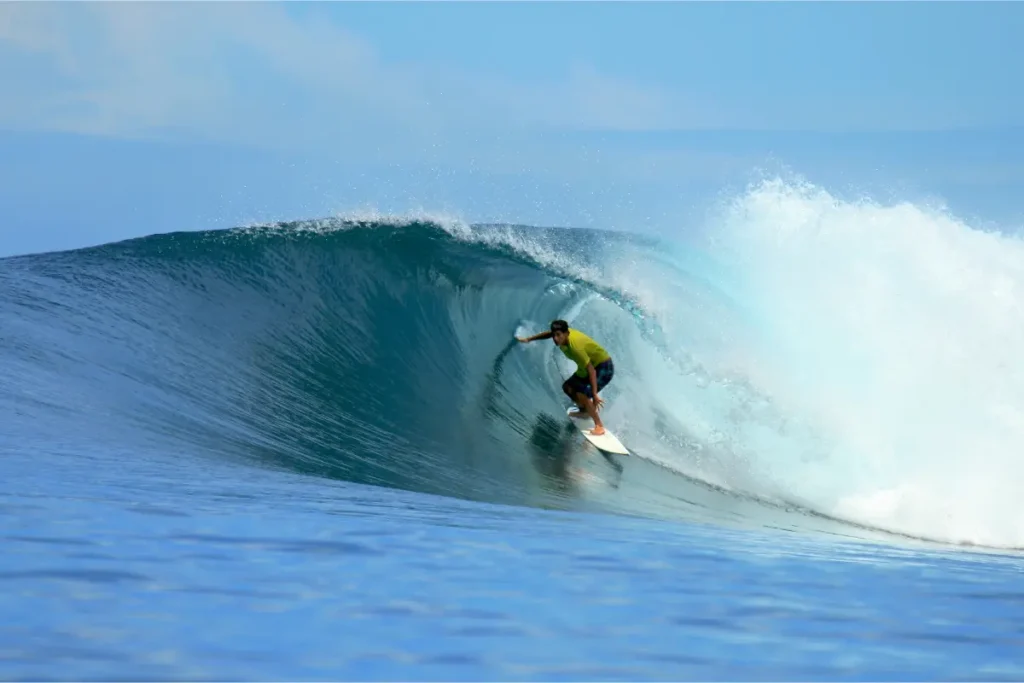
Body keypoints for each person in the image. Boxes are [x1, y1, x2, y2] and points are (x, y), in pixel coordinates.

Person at [516, 319, 614, 435]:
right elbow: (549, 334)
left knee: (582, 394)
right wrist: (529, 339)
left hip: (603, 367)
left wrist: (594, 395)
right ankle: (585, 411)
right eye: (554, 336)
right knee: (568, 387)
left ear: (566, 333)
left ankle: (599, 425)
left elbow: (591, 371)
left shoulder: (575, 347)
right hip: (588, 367)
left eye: (558, 335)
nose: (555, 339)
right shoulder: (562, 337)